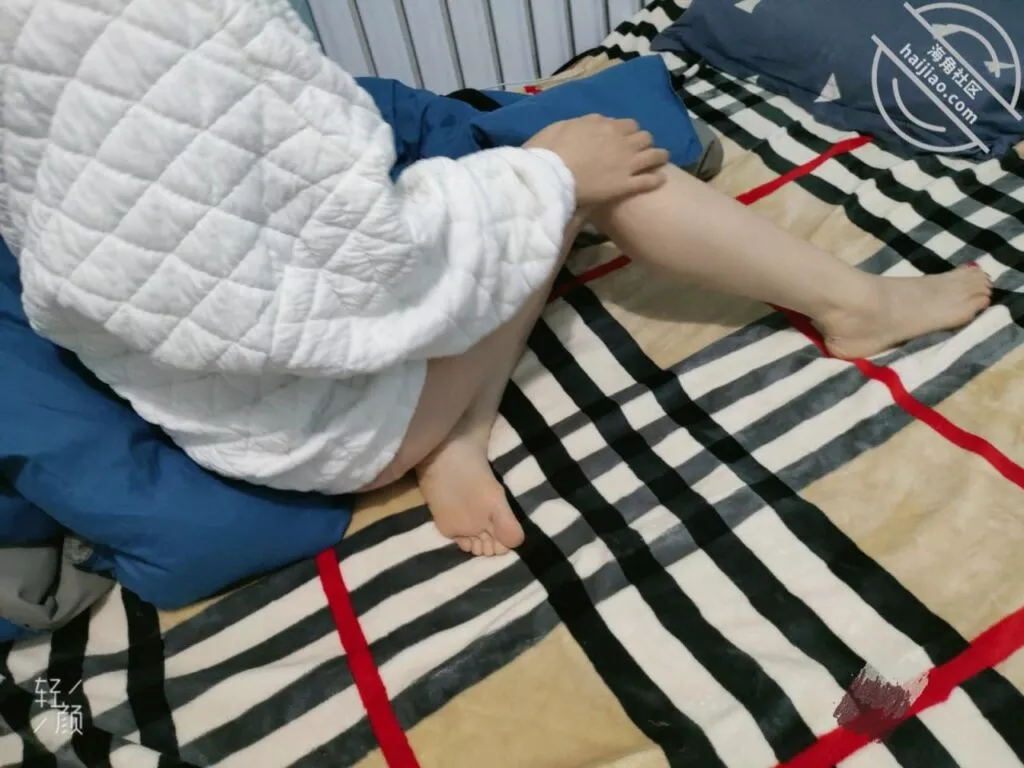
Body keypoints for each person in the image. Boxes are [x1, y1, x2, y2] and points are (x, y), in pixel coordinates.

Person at [1, 0, 991, 558]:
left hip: (233, 413)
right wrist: (549, 178)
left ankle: (461, 435)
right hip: (335, 419)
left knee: (539, 172)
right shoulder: (179, 30)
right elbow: (363, 272)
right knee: (609, 174)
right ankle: (858, 304)